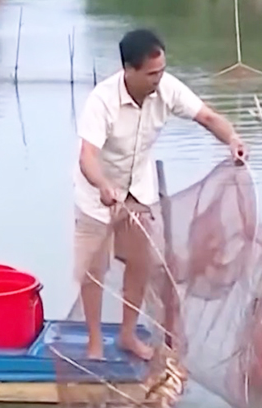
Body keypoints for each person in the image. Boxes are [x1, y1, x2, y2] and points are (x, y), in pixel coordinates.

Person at [73, 28, 248, 361]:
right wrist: (103, 186)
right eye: (152, 74)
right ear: (129, 70)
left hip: (137, 190)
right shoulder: (102, 100)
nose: (159, 79)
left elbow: (207, 116)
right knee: (93, 268)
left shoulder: (166, 89)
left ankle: (127, 335)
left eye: (162, 71)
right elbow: (87, 157)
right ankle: (94, 343)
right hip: (97, 192)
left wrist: (233, 140)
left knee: (141, 263)